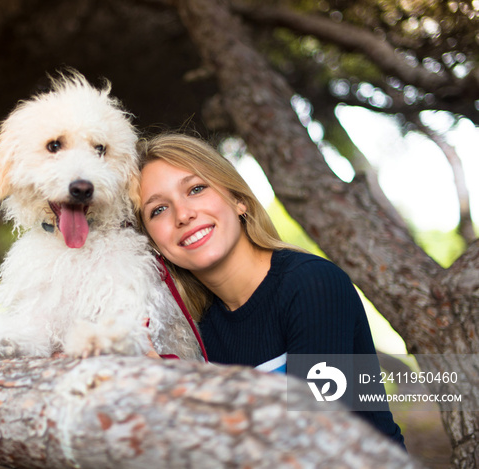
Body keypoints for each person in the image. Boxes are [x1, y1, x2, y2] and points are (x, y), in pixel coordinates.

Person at [136, 132, 405, 448]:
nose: (183, 215)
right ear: (152, 243)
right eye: (158, 210)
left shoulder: (311, 284)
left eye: (196, 189)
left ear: (239, 200)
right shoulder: (192, 331)